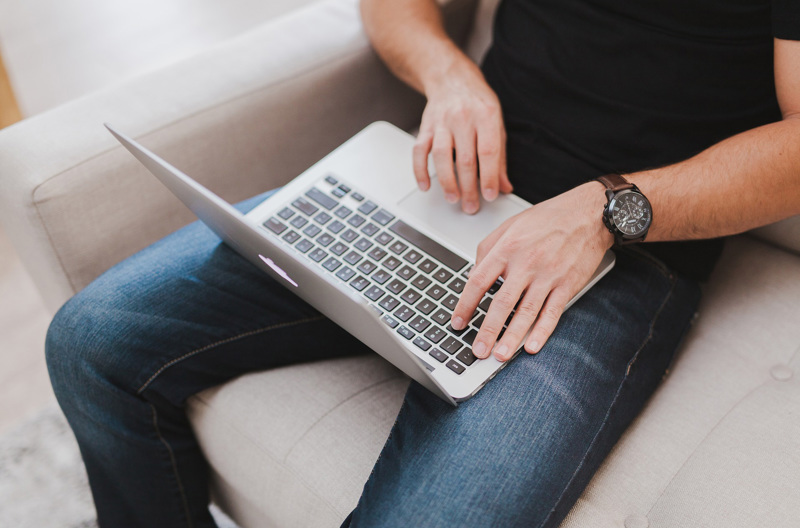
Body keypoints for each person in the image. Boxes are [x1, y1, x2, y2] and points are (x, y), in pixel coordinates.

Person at [45, 0, 800, 526]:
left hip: (620, 252)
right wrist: (449, 75)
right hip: (446, 185)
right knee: (91, 341)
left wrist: (606, 212)